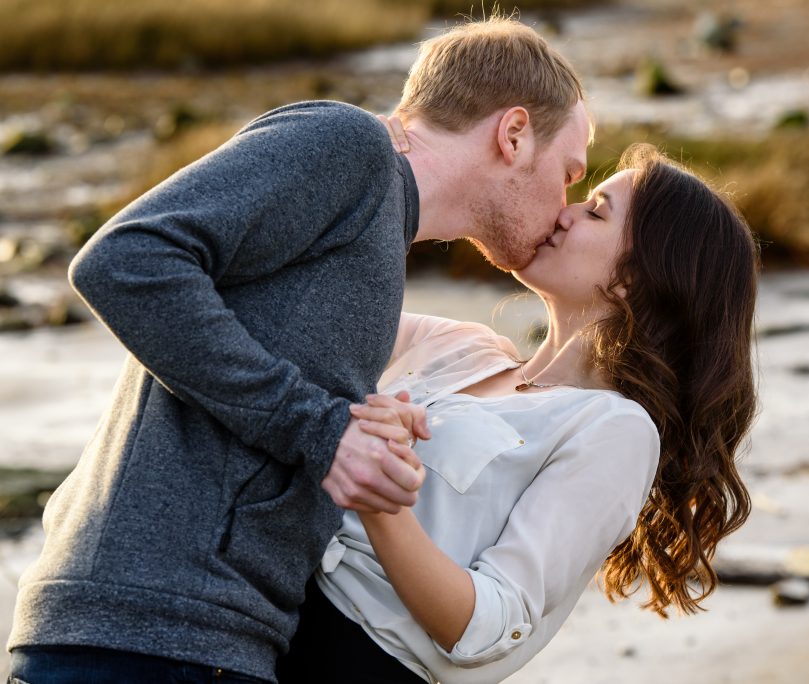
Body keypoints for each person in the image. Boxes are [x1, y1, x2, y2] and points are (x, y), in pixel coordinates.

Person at [7, 18, 591, 684]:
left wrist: (363, 431)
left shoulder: (379, 236)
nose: (566, 204)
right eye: (568, 173)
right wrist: (323, 430)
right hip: (143, 633)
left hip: (210, 642)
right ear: (514, 134)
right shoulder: (350, 146)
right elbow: (123, 259)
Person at [276, 143, 760, 683]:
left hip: (349, 660)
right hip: (254, 608)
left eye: (594, 211)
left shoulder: (614, 428)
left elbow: (486, 628)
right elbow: (300, 311)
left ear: (635, 279)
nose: (564, 211)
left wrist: (380, 496)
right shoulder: (457, 345)